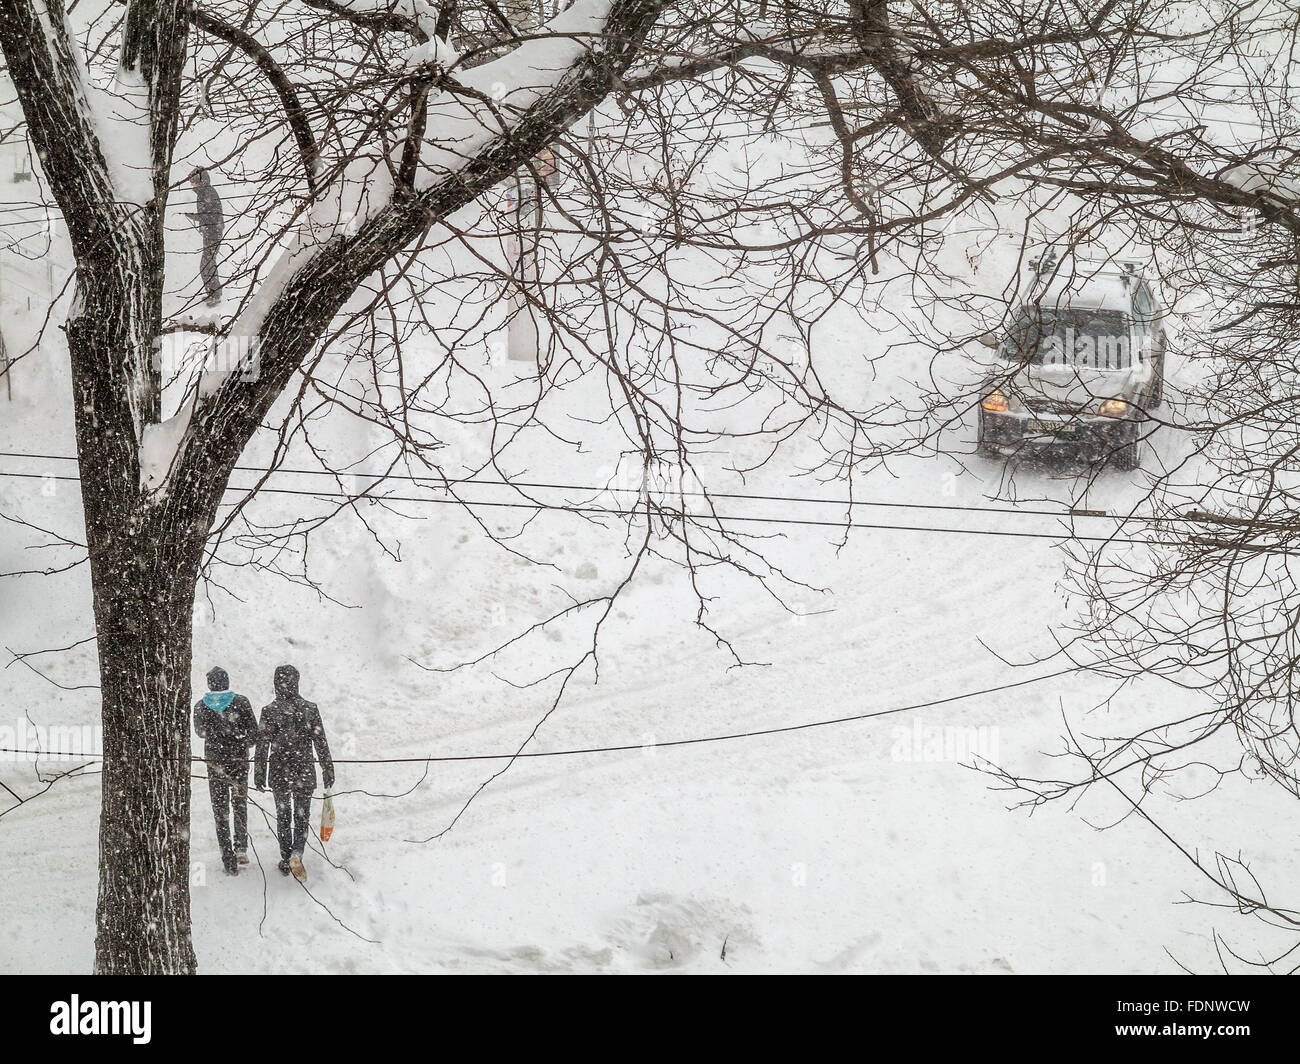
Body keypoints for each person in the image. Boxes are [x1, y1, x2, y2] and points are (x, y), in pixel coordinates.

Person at [255, 665, 334, 882]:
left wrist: (259, 772)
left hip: (280, 770)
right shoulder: (310, 708)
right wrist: (327, 768)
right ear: (297, 682)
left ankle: (285, 858)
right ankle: (297, 853)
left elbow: (262, 745)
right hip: (304, 769)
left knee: (283, 815)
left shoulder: (269, 711)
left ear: (276, 684)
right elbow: (320, 741)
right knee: (302, 816)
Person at [193, 666, 259, 876]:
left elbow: (200, 732)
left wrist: (217, 735)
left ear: (210, 683)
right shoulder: (242, 702)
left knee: (220, 809)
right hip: (239, 762)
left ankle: (226, 853)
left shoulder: (200, 706)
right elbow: (254, 734)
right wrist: (240, 741)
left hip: (215, 763)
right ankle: (241, 849)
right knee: (240, 804)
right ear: (227, 681)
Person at [185, 166, 224, 305]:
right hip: (211, 231)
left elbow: (211, 216)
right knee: (208, 263)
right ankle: (213, 293)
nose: (191, 185)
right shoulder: (204, 192)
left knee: (207, 264)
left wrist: (196, 217)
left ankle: (215, 295)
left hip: (213, 232)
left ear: (200, 181)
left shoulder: (207, 193)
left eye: (193, 181)